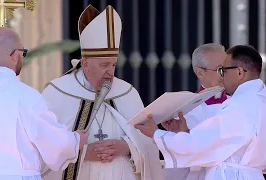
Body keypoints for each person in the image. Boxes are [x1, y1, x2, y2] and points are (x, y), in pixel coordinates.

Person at [40, 4, 164, 180]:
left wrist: (127, 147)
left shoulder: (127, 92)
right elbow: (44, 145)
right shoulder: (58, 92)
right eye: (104, 65)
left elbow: (149, 143)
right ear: (85, 63)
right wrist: (79, 152)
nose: (110, 72)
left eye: (113, 64)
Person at [0, 27, 88, 180]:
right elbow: (55, 143)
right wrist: (76, 140)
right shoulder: (27, 96)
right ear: (16, 55)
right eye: (23, 53)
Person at [135, 45, 266, 180]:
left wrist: (157, 134)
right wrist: (184, 133)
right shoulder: (259, 99)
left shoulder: (239, 106)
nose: (222, 76)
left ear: (239, 72)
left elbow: (199, 146)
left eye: (223, 70)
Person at [165, 43, 228, 180]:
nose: (225, 74)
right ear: (200, 72)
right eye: (220, 69)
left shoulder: (238, 103)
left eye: (227, 68)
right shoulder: (185, 110)